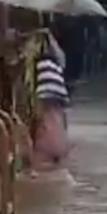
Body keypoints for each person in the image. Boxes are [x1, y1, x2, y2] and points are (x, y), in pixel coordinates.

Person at [31, 29, 70, 172]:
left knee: (45, 123)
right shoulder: (57, 59)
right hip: (59, 94)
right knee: (55, 122)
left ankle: (47, 153)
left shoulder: (36, 57)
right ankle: (57, 152)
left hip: (46, 93)